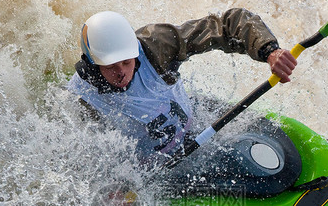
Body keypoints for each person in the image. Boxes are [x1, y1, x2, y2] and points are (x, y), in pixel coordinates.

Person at [67, 9, 297, 166]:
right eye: (110, 67)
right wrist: (116, 187)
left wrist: (270, 51)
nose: (121, 73)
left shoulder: (157, 46)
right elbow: (91, 158)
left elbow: (228, 24)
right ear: (94, 63)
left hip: (198, 132)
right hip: (155, 173)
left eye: (126, 62)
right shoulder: (82, 97)